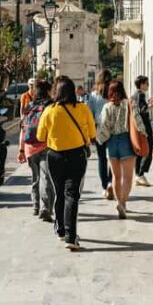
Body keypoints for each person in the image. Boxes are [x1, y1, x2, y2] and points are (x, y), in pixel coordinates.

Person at [36, 75, 96, 251]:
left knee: (59, 193)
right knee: (72, 194)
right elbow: (92, 133)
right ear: (72, 92)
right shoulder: (83, 109)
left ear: (56, 91)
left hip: (55, 156)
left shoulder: (49, 110)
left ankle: (61, 230)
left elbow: (40, 136)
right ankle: (71, 236)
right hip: (77, 156)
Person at [96, 80, 145, 219]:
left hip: (111, 143)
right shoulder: (129, 104)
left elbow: (103, 126)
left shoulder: (107, 107)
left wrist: (99, 140)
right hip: (126, 141)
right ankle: (123, 203)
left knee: (116, 177)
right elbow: (137, 122)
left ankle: (118, 202)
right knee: (127, 177)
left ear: (109, 92)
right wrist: (144, 137)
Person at [18, 79, 55, 222]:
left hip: (29, 147)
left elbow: (23, 128)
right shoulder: (51, 106)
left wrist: (21, 149)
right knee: (46, 178)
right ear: (48, 91)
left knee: (35, 177)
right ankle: (45, 208)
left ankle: (35, 206)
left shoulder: (29, 106)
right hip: (46, 146)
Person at [87, 69, 113, 199]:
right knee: (113, 157)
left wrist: (90, 133)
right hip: (113, 128)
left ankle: (105, 185)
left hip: (99, 128)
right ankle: (111, 182)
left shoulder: (93, 95)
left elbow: (90, 114)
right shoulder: (113, 92)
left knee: (102, 158)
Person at [131, 75, 153, 186]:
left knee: (139, 149)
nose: (148, 86)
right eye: (147, 83)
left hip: (137, 125)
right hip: (144, 124)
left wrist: (149, 103)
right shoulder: (141, 94)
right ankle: (141, 174)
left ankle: (138, 174)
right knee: (148, 148)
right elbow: (143, 110)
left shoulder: (134, 95)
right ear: (141, 84)